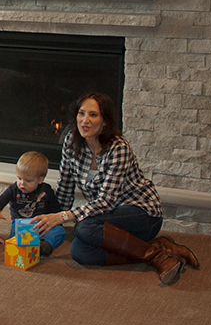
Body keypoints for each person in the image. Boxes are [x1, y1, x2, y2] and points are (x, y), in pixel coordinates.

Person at [31, 93, 200, 286]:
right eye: (81, 113)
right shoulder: (71, 140)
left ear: (105, 122)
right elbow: (65, 187)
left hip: (141, 213)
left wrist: (62, 217)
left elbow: (106, 202)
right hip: (108, 217)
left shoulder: (118, 148)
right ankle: (158, 248)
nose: (85, 120)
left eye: (93, 115)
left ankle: (157, 257)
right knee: (79, 251)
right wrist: (47, 220)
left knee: (84, 227)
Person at [0, 151, 65, 256]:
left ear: (40, 179)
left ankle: (45, 245)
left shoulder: (46, 190)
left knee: (59, 231)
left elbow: (55, 208)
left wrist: (55, 221)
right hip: (20, 224)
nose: (22, 183)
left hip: (41, 224)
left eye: (28, 181)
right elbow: (0, 201)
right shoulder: (14, 189)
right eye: (19, 178)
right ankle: (28, 244)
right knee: (14, 236)